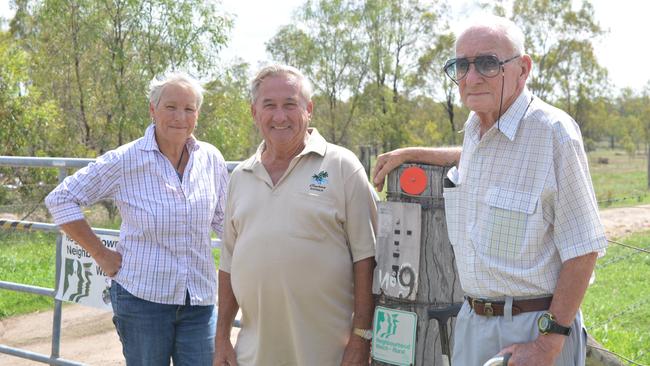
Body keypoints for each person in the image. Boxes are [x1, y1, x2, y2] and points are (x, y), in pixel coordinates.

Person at [372, 15, 607, 366]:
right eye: (461, 66)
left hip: (533, 327)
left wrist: (547, 345)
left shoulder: (553, 132)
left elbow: (583, 251)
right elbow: (474, 159)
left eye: (487, 64)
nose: (471, 77)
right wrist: (410, 154)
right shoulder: (477, 128)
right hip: (471, 324)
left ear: (523, 69)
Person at [45, 72, 229, 366]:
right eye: (170, 107)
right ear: (153, 110)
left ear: (197, 114)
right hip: (143, 299)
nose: (180, 116)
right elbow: (60, 199)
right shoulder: (125, 160)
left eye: (189, 109)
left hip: (199, 301)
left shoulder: (210, 158)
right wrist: (100, 253)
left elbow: (224, 220)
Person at [214, 64, 377, 366]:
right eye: (269, 106)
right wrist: (222, 337)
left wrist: (361, 338)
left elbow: (366, 259)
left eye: (290, 104)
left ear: (309, 109)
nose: (280, 116)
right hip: (254, 355)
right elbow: (228, 264)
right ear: (254, 112)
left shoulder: (343, 166)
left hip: (329, 355)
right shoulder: (240, 177)